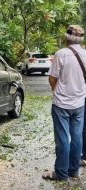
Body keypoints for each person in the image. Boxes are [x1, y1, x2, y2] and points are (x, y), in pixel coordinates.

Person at [42, 25, 86, 180]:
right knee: (77, 138)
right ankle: (73, 171)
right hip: (79, 104)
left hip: (61, 104)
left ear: (67, 38)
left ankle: (61, 173)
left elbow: (52, 78)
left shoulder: (61, 54)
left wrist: (57, 92)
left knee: (62, 139)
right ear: (81, 39)